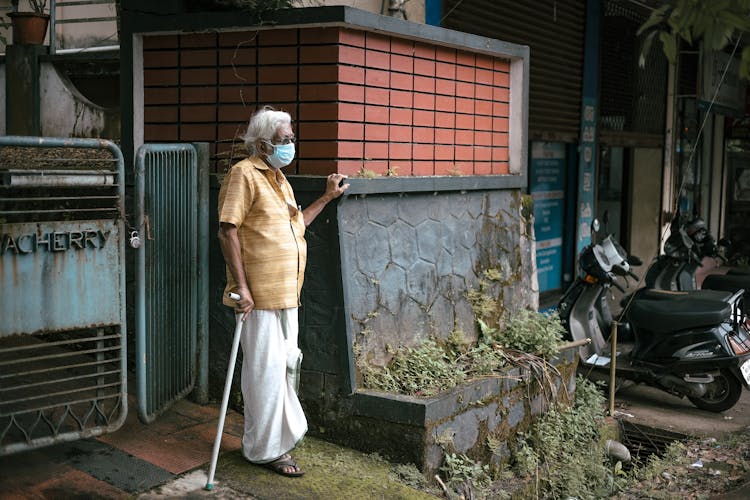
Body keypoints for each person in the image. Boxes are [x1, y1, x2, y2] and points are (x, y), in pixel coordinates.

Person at [217, 106, 349, 477]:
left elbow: (296, 227)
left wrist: (325, 198)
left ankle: (276, 442)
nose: (291, 144)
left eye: (292, 138)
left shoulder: (278, 179)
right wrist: (241, 287)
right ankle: (263, 449)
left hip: (287, 292)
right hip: (256, 296)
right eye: (284, 140)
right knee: (264, 371)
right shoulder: (243, 175)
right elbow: (227, 230)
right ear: (261, 144)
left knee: (286, 367)